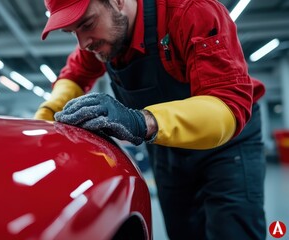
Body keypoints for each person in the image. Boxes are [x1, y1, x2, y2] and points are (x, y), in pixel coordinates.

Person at [35, 0, 267, 238]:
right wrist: (45, 120)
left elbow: (227, 105)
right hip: (168, 146)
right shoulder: (102, 38)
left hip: (229, 146)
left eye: (86, 24)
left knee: (233, 231)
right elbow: (74, 76)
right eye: (72, 32)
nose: (83, 44)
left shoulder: (191, 10)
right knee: (183, 232)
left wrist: (139, 121)